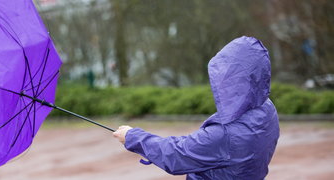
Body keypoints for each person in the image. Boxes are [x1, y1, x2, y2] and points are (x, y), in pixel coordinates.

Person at [113, 36, 280, 180]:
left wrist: (132, 136)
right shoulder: (267, 109)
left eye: (226, 76)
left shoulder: (225, 134)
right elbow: (199, 146)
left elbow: (177, 154)